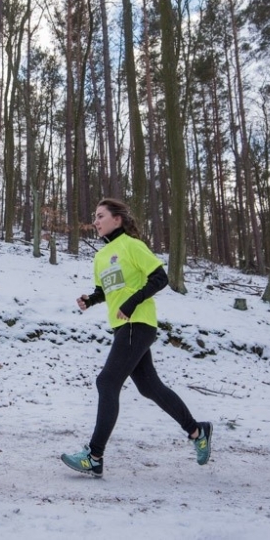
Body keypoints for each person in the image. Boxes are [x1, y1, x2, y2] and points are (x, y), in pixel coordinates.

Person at [61, 198, 211, 477]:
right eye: (94, 216)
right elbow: (106, 289)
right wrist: (90, 300)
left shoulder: (133, 245)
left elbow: (159, 278)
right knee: (149, 387)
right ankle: (196, 430)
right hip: (123, 327)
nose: (95, 221)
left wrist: (130, 304)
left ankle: (94, 456)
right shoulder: (100, 256)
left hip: (138, 323)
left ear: (117, 219)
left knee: (107, 381)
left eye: (101, 215)